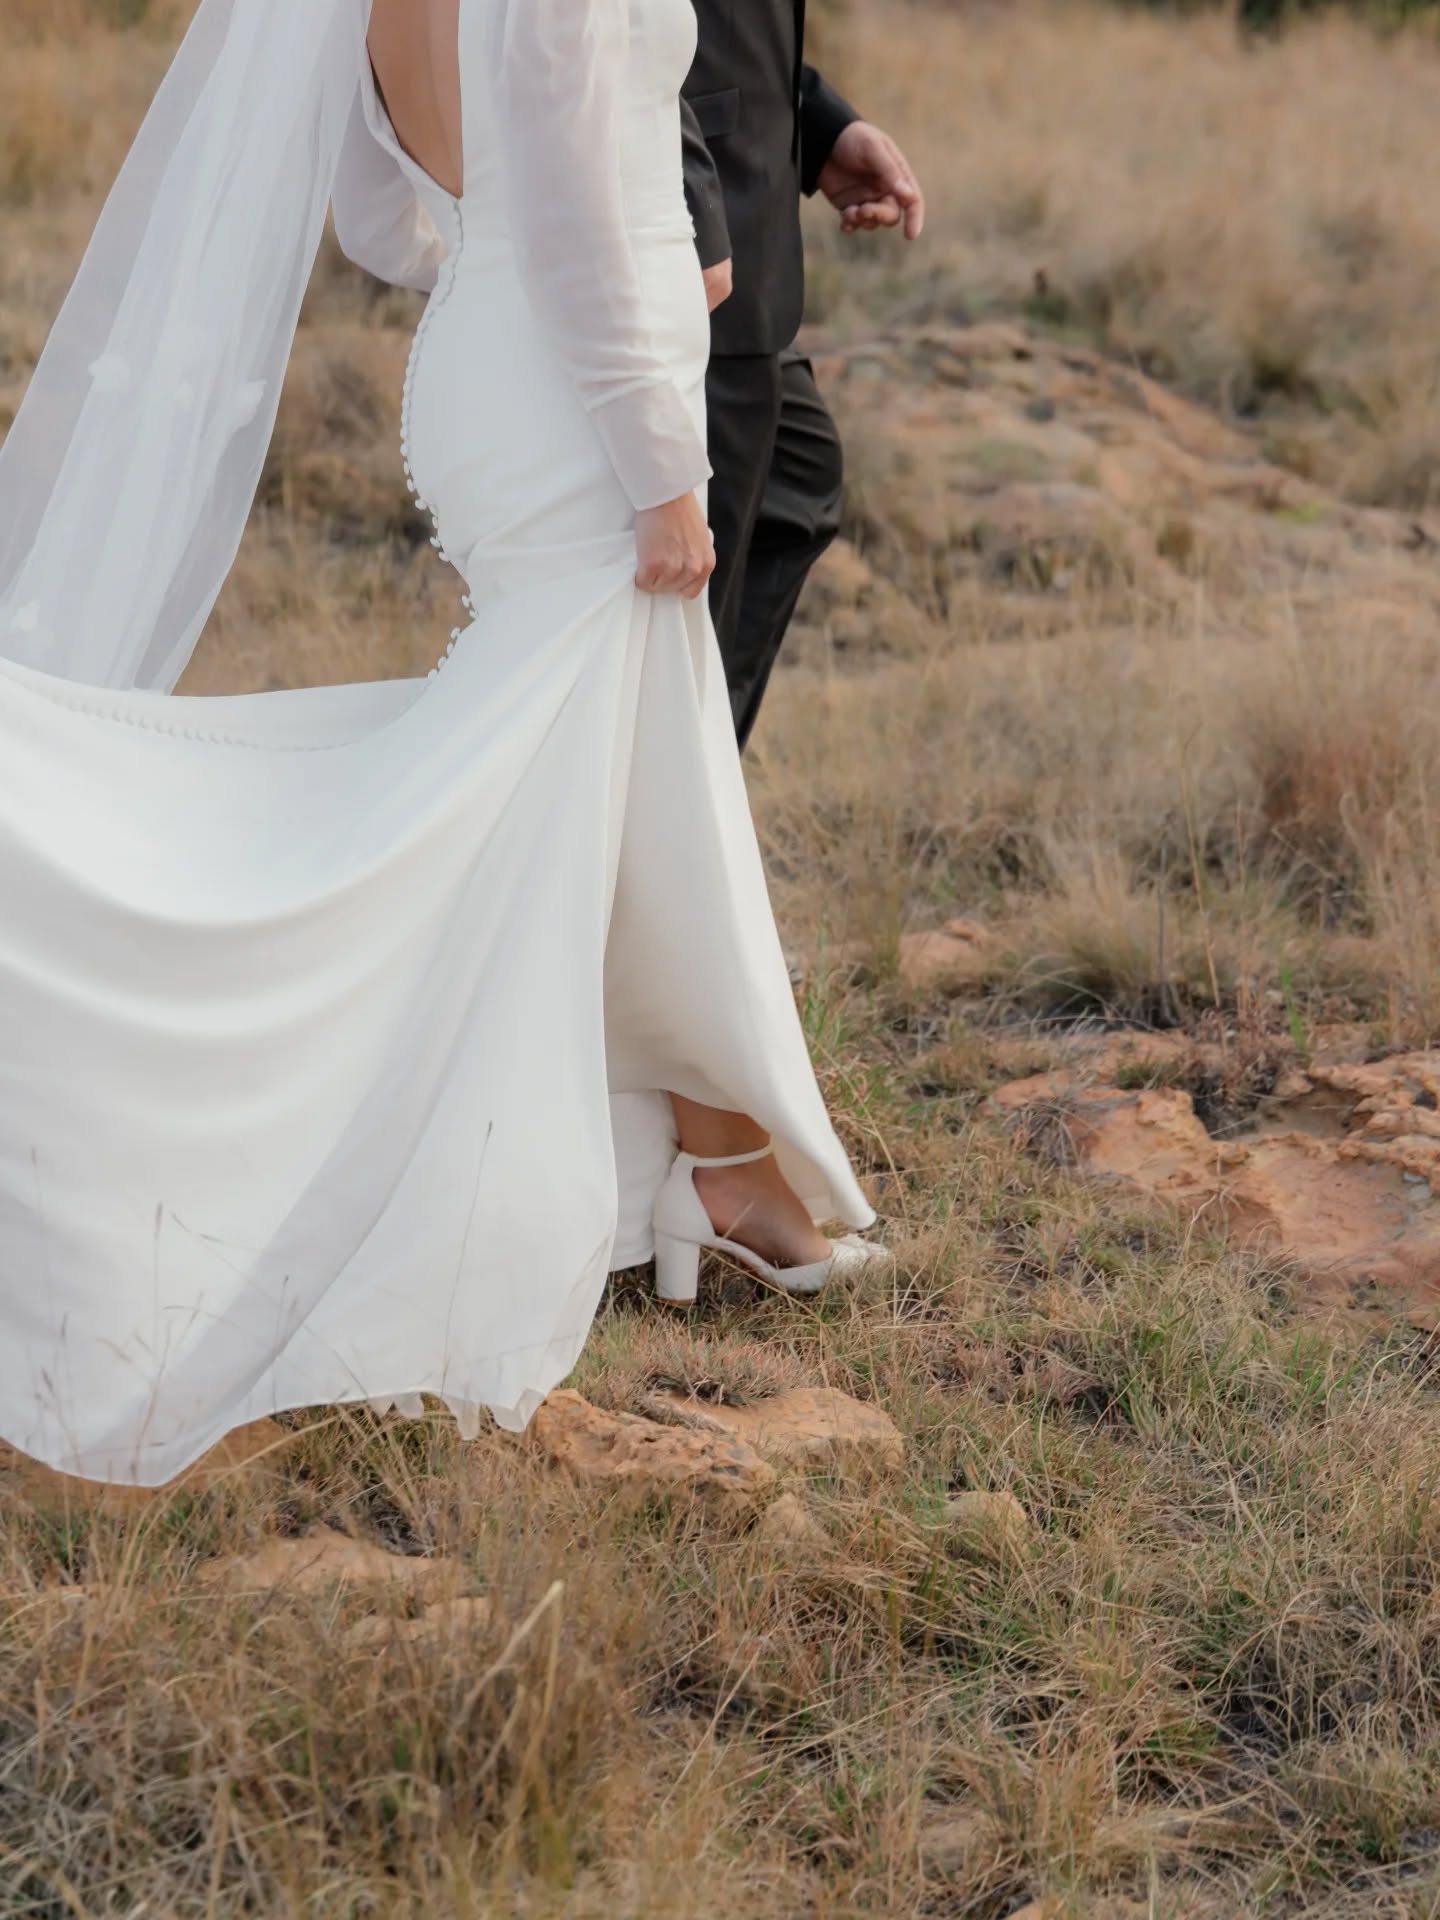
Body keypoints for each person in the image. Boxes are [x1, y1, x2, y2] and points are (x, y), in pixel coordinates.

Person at [0, 0, 880, 1489]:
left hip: (513, 352)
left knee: (613, 764)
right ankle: (677, 1174)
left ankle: (724, 1170)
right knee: (532, 777)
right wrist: (658, 460)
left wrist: (487, 250)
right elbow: (579, 208)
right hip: (581, 396)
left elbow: (377, 211)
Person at [679, 0, 925, 748]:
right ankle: (660, 794)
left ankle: (688, 786)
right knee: (681, 607)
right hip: (693, 254)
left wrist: (819, 129)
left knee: (798, 474)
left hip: (741, 231)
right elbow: (607, 38)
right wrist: (694, 220)